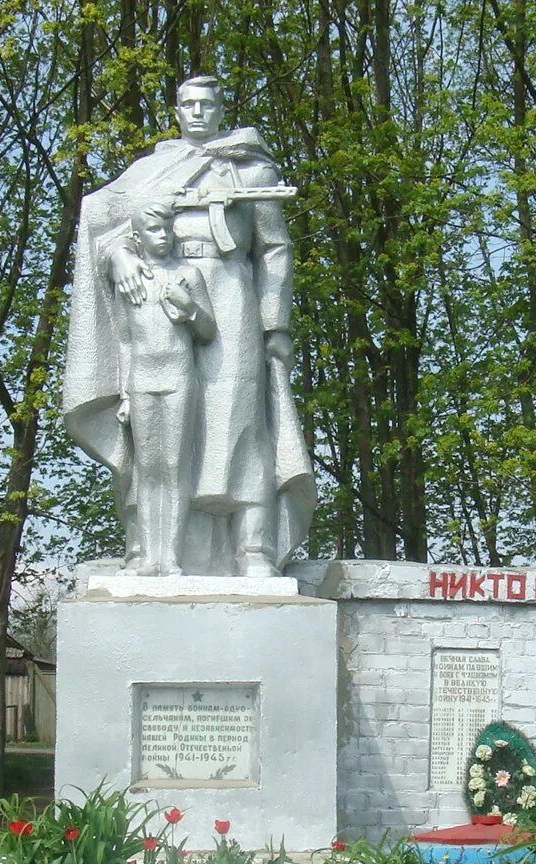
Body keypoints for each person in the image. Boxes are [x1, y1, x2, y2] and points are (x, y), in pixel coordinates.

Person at [61, 75, 315, 577]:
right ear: (176, 111)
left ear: (222, 110)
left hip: (231, 292)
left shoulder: (251, 167)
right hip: (160, 293)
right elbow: (100, 218)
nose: (198, 113)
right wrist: (117, 257)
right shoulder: (151, 169)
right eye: (188, 105)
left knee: (241, 420)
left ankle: (253, 548)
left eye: (207, 105)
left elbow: (274, 249)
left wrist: (275, 326)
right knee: (152, 436)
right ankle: (147, 547)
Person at [112, 200, 213, 576]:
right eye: (155, 230)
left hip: (178, 378)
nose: (164, 236)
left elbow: (208, 330)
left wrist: (188, 308)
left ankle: (170, 555)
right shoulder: (130, 280)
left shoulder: (188, 275)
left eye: (168, 229)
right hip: (141, 381)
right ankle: (147, 554)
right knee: (148, 469)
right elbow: (124, 340)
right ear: (137, 238)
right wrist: (124, 393)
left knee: (174, 467)